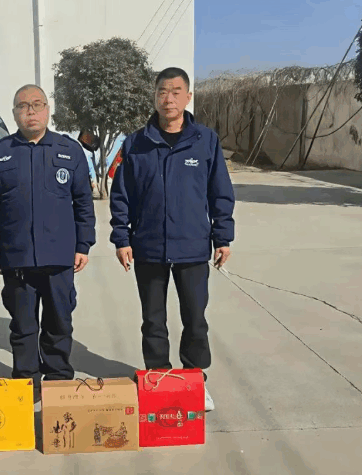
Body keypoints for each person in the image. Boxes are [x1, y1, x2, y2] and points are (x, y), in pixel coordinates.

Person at [109, 67, 235, 412]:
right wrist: (122, 238)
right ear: (155, 97)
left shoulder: (205, 140)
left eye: (176, 92)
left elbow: (220, 192)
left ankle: (195, 380)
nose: (169, 99)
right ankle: (158, 377)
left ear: (188, 97)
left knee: (195, 318)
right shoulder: (136, 143)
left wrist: (223, 237)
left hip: (192, 246)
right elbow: (121, 195)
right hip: (148, 247)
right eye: (163, 92)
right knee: (153, 320)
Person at [0, 84, 96, 401]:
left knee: (59, 322)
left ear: (47, 110)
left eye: (37, 104)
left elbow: (83, 203)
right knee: (23, 326)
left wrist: (83, 245)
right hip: (15, 257)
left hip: (60, 256)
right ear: (14, 113)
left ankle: (58, 381)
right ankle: (26, 383)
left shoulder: (69, 150)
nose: (30, 111)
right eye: (23, 106)